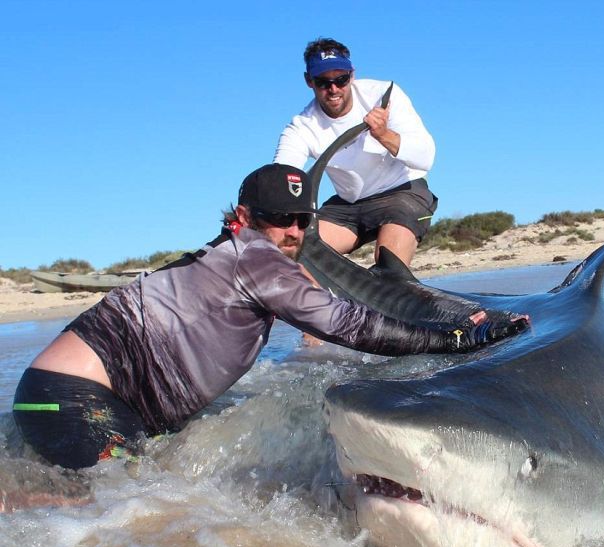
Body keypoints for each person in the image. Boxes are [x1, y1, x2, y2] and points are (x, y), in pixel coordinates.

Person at [12, 164, 528, 471]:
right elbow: (354, 326)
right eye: (280, 218)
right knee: (113, 507)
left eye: (302, 220)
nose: (292, 232)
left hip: (57, 400)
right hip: (69, 400)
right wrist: (459, 336)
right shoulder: (253, 257)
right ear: (244, 216)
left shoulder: (231, 254)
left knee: (143, 492)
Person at [274, 37, 437, 267]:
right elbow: (280, 177)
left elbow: (425, 157)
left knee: (390, 269)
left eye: (341, 79)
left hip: (403, 192)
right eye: (323, 82)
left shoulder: (383, 95)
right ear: (308, 81)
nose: (333, 89)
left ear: (352, 75)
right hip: (349, 205)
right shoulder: (301, 127)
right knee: (293, 256)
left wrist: (383, 134)